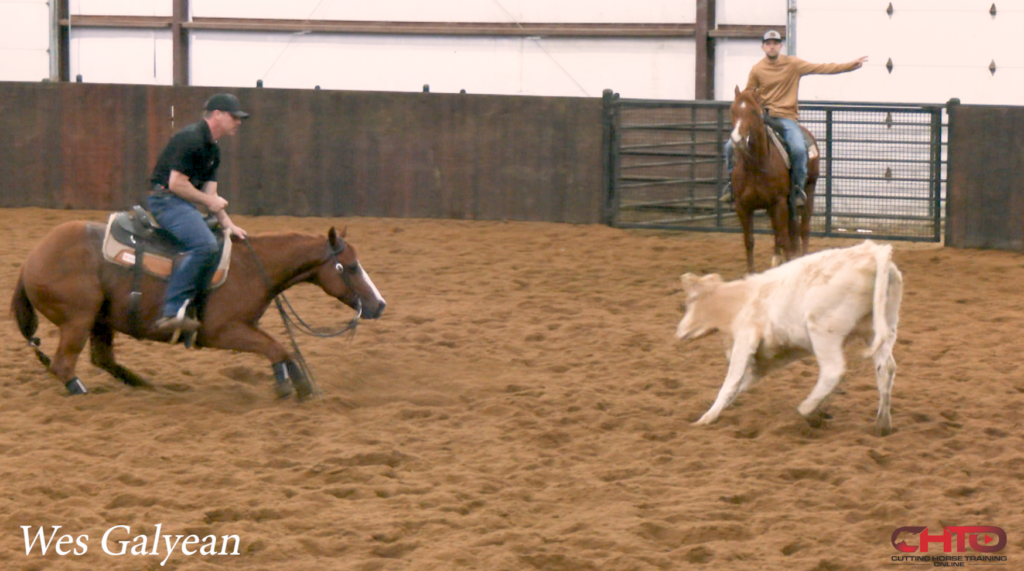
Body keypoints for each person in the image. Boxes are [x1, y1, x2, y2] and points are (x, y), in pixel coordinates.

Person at [722, 30, 867, 207]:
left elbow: (822, 68)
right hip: (764, 117)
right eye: (768, 43)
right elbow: (749, 94)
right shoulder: (757, 69)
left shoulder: (793, 64)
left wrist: (850, 65)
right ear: (763, 47)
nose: (772, 46)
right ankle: (732, 185)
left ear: (780, 46)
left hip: (786, 118)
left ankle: (798, 188)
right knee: (730, 146)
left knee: (798, 149)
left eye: (775, 42)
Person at [147, 93, 250, 334]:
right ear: (217, 115)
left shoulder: (213, 150)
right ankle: (172, 312)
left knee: (217, 240)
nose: (238, 122)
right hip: (166, 202)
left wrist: (228, 225)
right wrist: (208, 202)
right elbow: (176, 183)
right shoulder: (191, 139)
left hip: (181, 204)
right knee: (204, 246)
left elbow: (211, 196)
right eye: (234, 117)